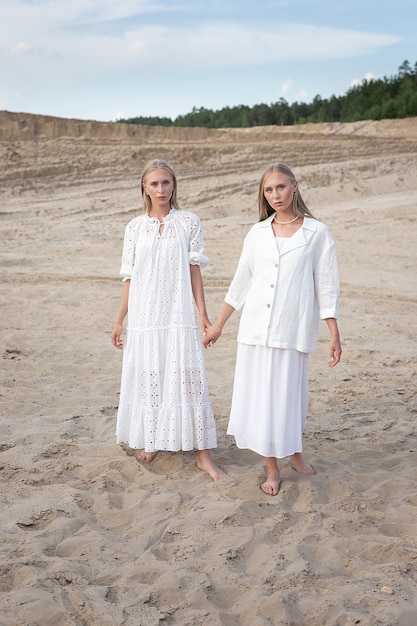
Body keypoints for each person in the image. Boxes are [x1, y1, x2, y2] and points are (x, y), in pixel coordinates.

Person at [203, 162, 341, 495]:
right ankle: (271, 469)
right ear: (263, 194)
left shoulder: (316, 233)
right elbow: (242, 281)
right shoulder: (258, 233)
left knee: (289, 399)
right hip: (256, 331)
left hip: (291, 329)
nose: (275, 195)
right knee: (265, 400)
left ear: (295, 186)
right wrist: (220, 324)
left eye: (280, 187)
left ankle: (295, 452)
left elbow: (327, 284)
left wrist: (334, 332)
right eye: (269, 190)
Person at [111, 159, 220, 481]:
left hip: (179, 312)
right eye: (154, 183)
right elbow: (129, 277)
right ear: (144, 187)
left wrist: (203, 314)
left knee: (189, 376)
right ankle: (154, 439)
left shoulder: (188, 222)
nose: (161, 189)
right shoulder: (134, 227)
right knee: (150, 376)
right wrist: (119, 321)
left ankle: (204, 456)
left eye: (166, 183)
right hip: (144, 314)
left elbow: (194, 270)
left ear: (174, 185)